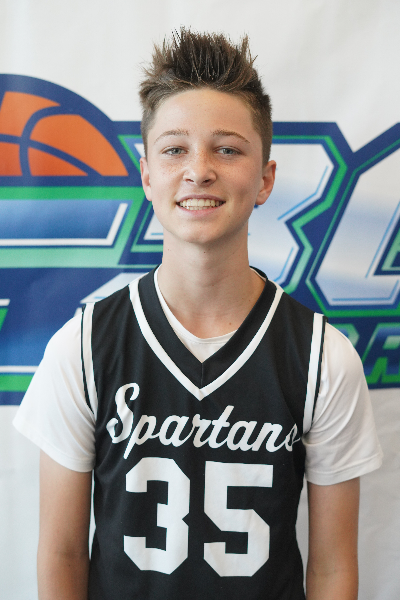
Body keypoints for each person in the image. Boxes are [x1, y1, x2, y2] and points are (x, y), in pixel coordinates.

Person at [14, 29, 382, 600]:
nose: (199, 170)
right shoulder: (83, 348)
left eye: (227, 149)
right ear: (147, 175)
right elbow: (61, 554)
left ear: (265, 179)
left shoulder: (322, 358)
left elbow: (333, 568)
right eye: (175, 149)